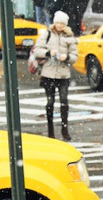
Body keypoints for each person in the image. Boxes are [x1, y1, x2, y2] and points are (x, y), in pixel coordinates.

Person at [33, 10, 78, 141]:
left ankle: (65, 130)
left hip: (63, 74)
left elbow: (75, 56)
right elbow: (37, 50)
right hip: (48, 73)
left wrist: (67, 57)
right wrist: (48, 53)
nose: (59, 25)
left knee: (64, 101)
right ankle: (50, 130)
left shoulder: (69, 37)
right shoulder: (47, 34)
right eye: (57, 23)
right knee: (50, 102)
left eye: (62, 23)